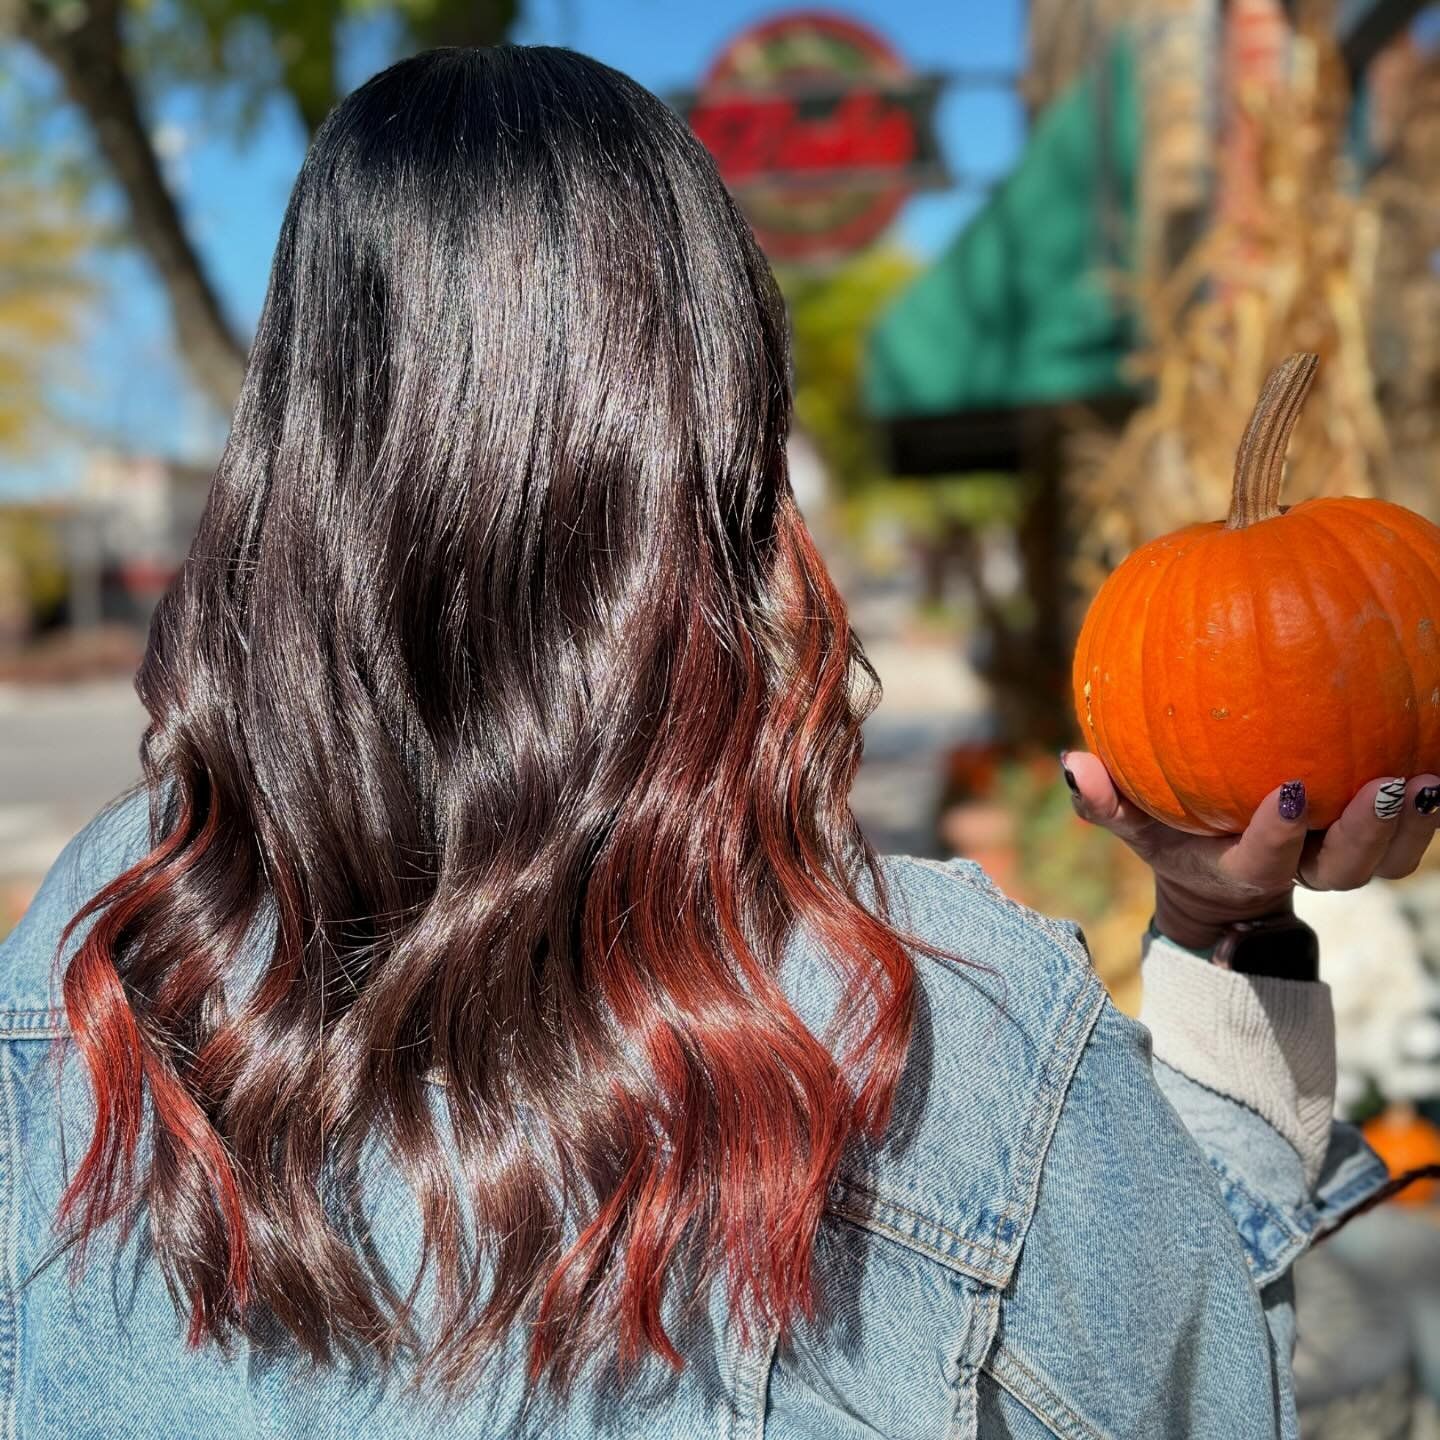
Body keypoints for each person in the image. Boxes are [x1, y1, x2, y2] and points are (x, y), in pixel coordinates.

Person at [0, 45, 1425, 1440]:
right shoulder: (936, 1031)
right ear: (727, 453)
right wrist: (1231, 933)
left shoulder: (96, 961)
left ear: (292, 449)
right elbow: (1214, 1386)